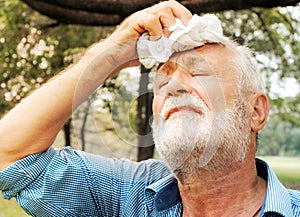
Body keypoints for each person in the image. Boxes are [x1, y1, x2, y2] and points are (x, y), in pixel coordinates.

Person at [0, 1, 299, 216]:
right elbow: (8, 153)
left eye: (199, 73)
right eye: (161, 83)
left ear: (256, 112)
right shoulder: (125, 195)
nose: (173, 87)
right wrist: (109, 54)